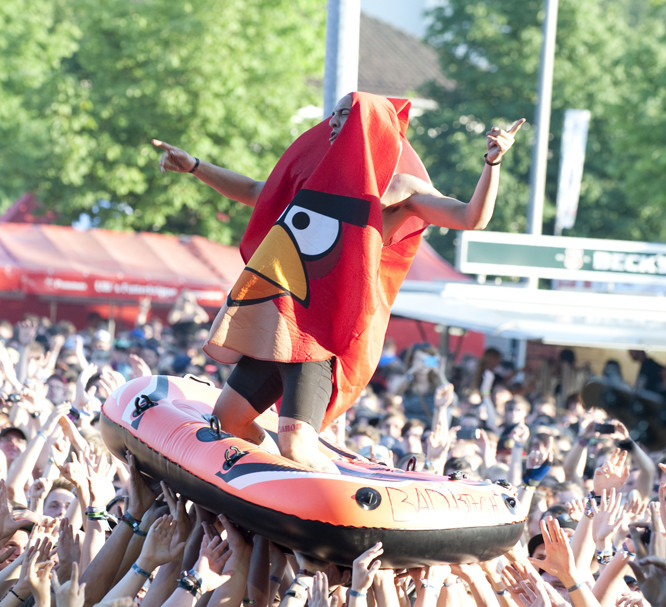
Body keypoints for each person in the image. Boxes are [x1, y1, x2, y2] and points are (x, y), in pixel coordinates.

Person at [155, 93, 523, 472]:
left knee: (297, 448)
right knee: (227, 423)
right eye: (334, 114)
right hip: (278, 325)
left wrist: (492, 163)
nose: (332, 122)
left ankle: (332, 491)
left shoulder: (401, 188)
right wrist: (195, 166)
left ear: (370, 127)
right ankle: (276, 477)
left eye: (344, 115)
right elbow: (252, 191)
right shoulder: (313, 176)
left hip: (323, 336)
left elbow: (470, 218)